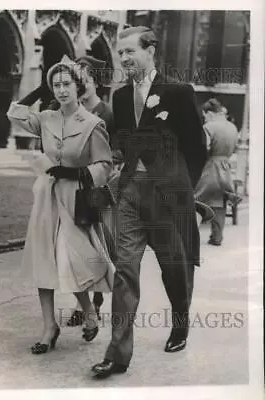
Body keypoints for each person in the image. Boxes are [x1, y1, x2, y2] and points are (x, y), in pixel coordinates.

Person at [91, 26, 207, 379]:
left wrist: (181, 188)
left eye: (130, 51)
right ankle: (117, 355)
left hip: (168, 195)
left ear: (150, 50)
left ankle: (180, 322)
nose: (124, 59)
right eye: (120, 53)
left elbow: (196, 148)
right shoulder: (121, 97)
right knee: (125, 272)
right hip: (131, 194)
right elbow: (124, 144)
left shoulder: (178, 92)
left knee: (175, 269)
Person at [6, 55, 114, 354]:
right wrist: (41, 89)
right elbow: (15, 114)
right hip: (45, 198)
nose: (62, 90)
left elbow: (105, 165)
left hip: (74, 199)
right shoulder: (45, 118)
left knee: (72, 260)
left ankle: (89, 311)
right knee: (44, 259)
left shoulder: (94, 123)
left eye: (67, 84)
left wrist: (77, 172)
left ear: (79, 87)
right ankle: (48, 326)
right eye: (56, 85)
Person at [65, 55, 123, 327]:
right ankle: (84, 304)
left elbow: (118, 150)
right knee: (75, 246)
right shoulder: (66, 109)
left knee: (97, 246)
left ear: (95, 82)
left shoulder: (107, 112)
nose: (78, 85)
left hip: (97, 188)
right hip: (70, 187)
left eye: (83, 80)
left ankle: (93, 303)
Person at [195, 98, 242, 246]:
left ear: (209, 113)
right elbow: (235, 147)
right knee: (220, 203)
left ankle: (190, 237)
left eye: (204, 115)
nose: (204, 118)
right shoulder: (232, 127)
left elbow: (203, 149)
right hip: (226, 169)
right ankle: (217, 237)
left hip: (210, 168)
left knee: (197, 202)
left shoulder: (208, 127)